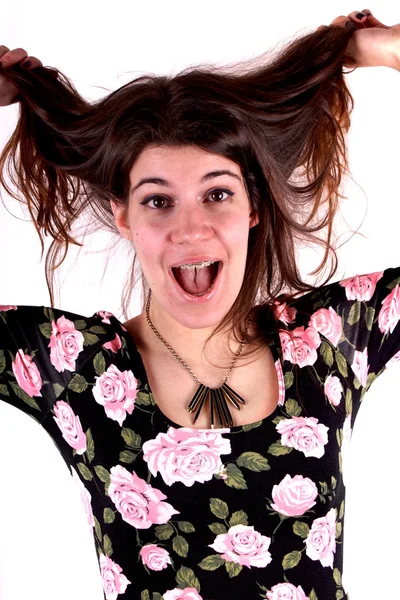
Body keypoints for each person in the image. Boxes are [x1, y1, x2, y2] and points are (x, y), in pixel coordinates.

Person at [0, 9, 399, 600]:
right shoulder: (69, 365)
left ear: (254, 207)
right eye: (158, 201)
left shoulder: (330, 337)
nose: (190, 229)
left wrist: (387, 51)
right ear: (124, 216)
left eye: (217, 193)